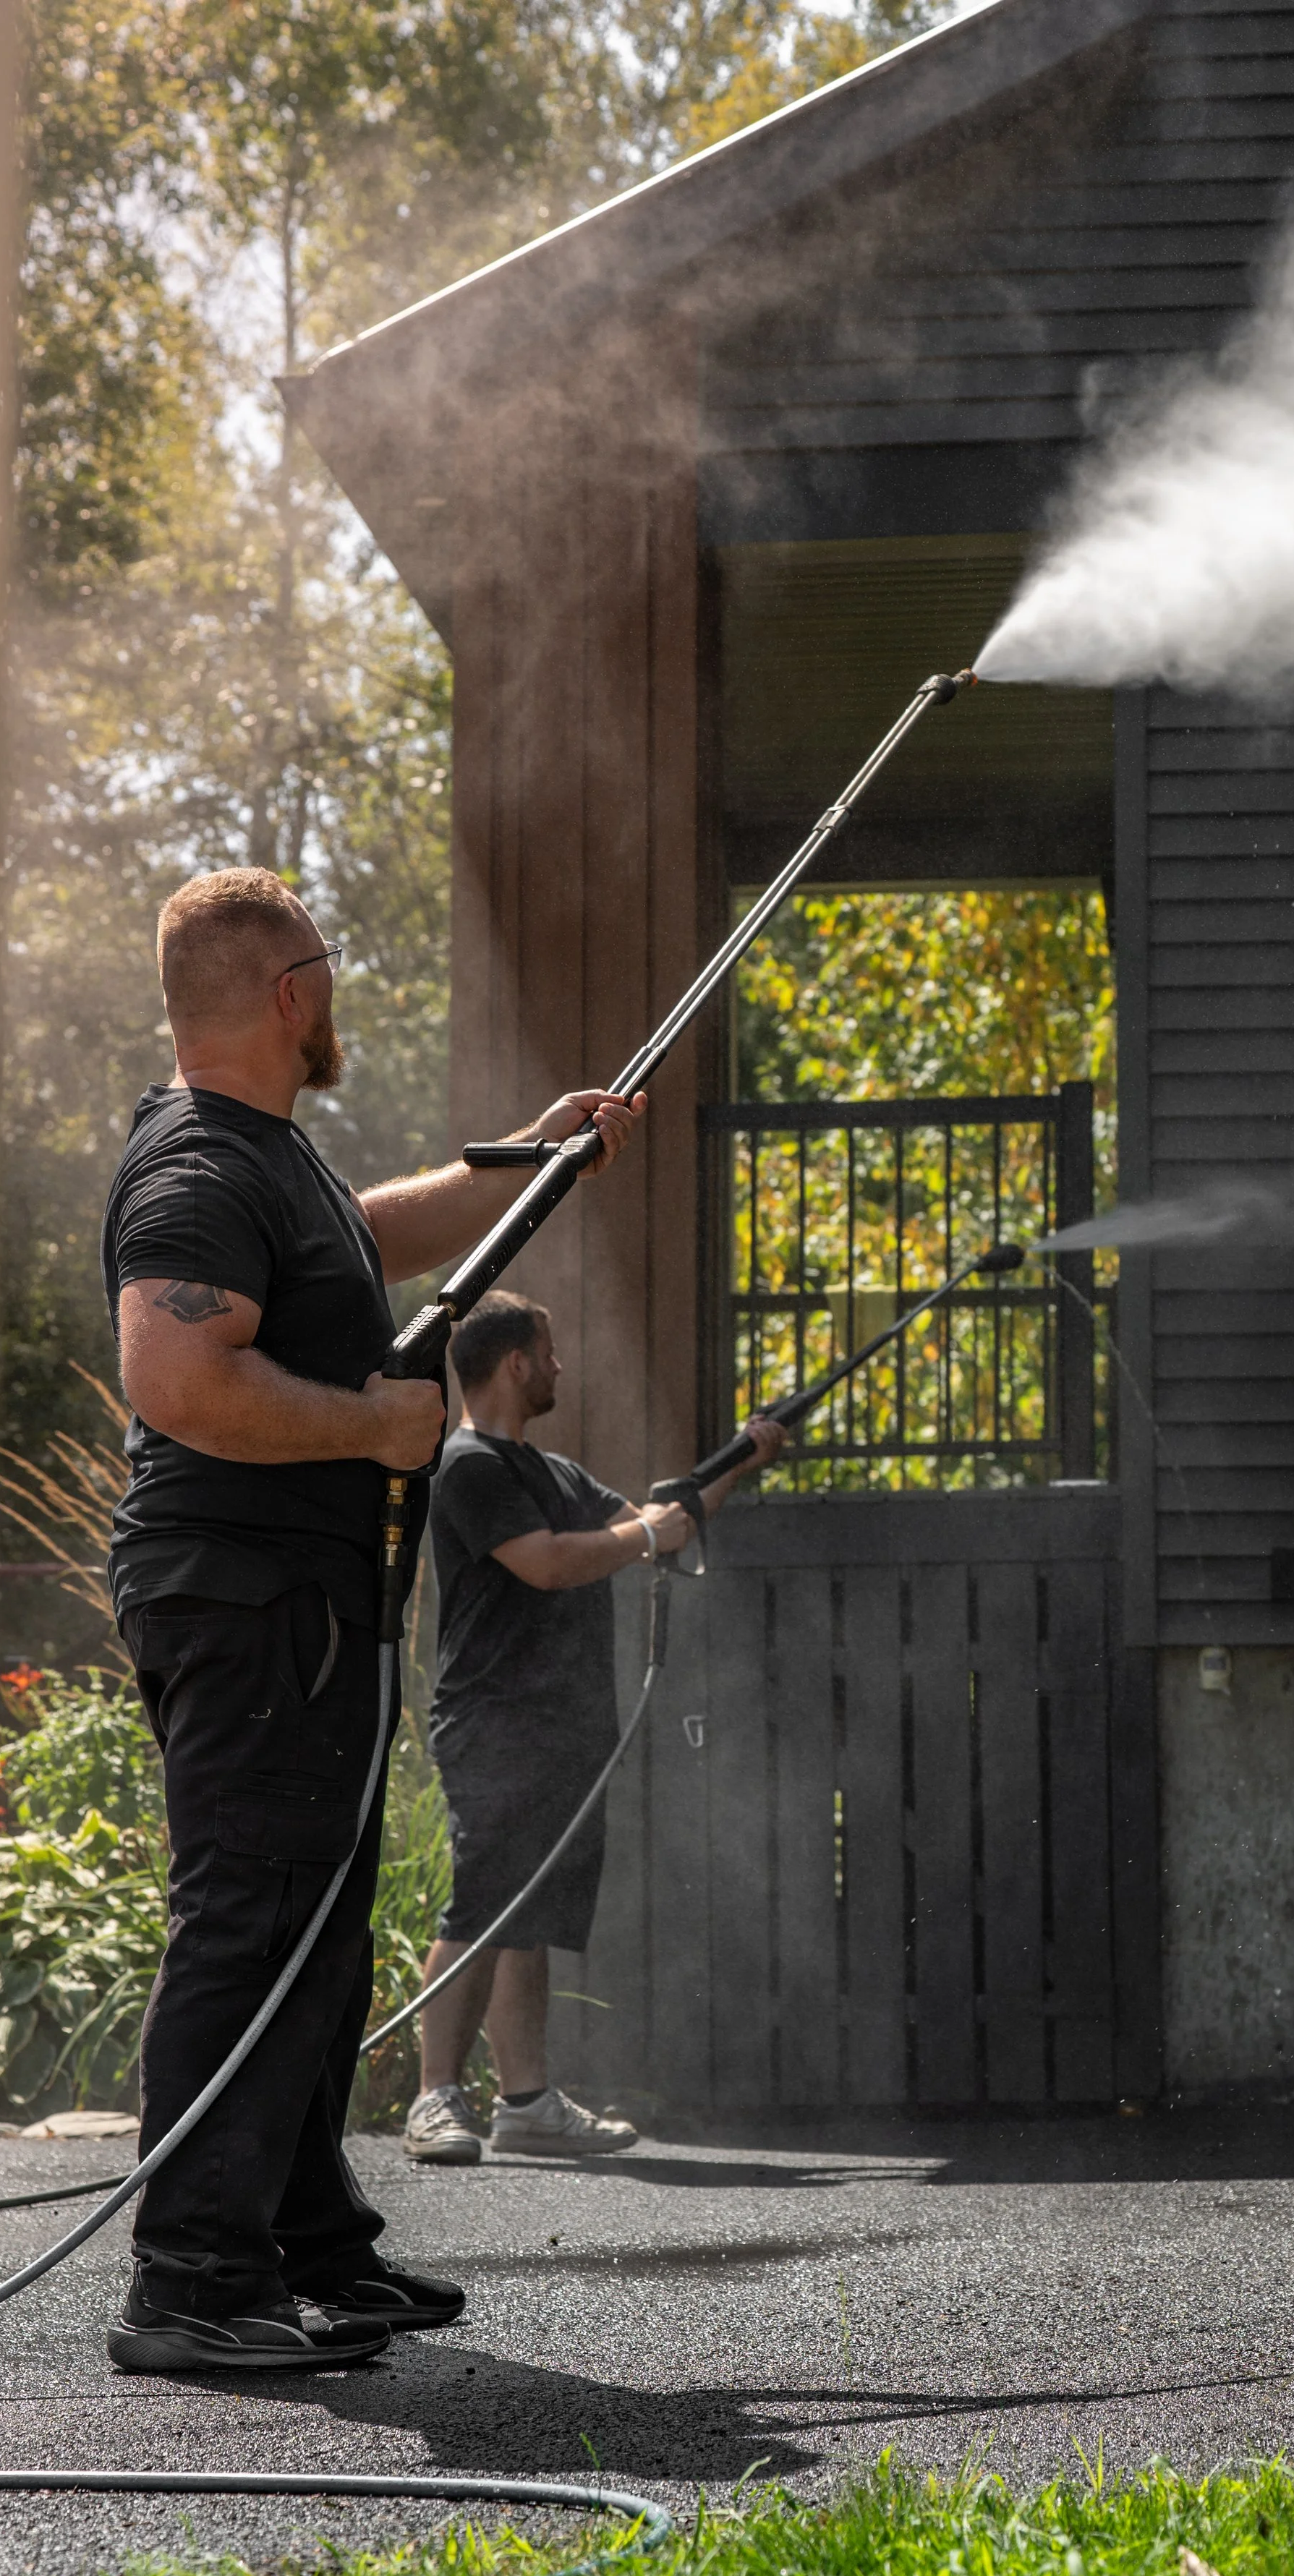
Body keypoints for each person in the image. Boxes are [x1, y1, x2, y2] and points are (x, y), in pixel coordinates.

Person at [101, 866, 642, 2374]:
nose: (334, 992)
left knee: (317, 1927)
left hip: (300, 1609)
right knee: (252, 1918)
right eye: (327, 966)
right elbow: (175, 1377)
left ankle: (305, 2250)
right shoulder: (199, 1166)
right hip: (248, 1602)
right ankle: (191, 2280)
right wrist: (371, 1426)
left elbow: (370, 1233)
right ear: (292, 993)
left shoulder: (267, 1159)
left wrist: (537, 1159)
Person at [403, 1293, 783, 2164]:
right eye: (547, 1351)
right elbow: (546, 1563)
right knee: (485, 1899)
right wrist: (644, 1536)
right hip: (494, 1720)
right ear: (513, 1364)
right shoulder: (468, 1467)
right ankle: (433, 2098)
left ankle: (525, 2104)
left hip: (567, 1726)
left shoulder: (559, 1475)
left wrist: (742, 1459)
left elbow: (660, 1523)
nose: (558, 1365)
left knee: (530, 1911)